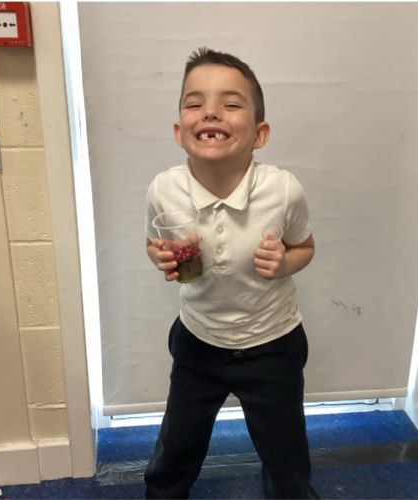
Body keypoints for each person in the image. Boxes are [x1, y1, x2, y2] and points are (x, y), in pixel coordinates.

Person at [144, 47, 316, 499]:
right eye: (195, 102)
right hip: (198, 341)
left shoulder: (283, 190)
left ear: (260, 133)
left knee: (285, 451)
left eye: (232, 103)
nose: (211, 112)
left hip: (273, 344)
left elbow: (305, 247)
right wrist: (160, 256)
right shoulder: (164, 189)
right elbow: (153, 242)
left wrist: (285, 263)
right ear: (179, 131)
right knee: (177, 444)